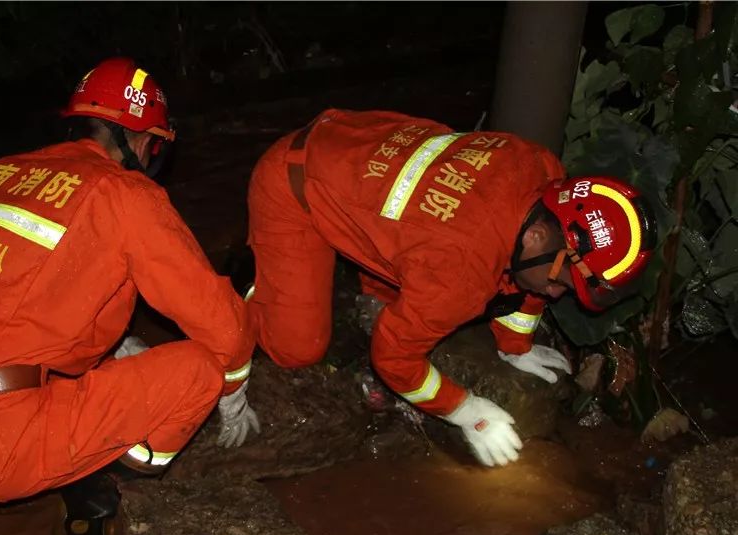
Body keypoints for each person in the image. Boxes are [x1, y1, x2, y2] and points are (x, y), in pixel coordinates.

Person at [0, 57, 259, 535]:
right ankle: (89, 506)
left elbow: (10, 301)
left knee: (16, 357)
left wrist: (115, 346)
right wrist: (235, 390)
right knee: (198, 372)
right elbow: (219, 320)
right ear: (138, 139)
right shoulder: (123, 193)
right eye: (153, 143)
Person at [244, 109, 656, 467]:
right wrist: (468, 411)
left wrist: (516, 345)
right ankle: (254, 299)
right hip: (292, 181)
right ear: (537, 235)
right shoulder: (459, 273)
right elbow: (393, 359)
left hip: (357, 143)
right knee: (297, 349)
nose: (554, 295)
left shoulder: (542, 172)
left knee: (423, 263)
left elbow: (521, 269)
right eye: (559, 282)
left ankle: (366, 273)